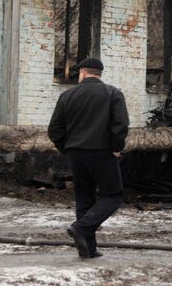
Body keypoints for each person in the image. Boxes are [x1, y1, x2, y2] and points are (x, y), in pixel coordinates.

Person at [48, 57, 129, 259]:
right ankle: (81, 228)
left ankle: (88, 249)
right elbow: (120, 125)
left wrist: (66, 149)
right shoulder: (113, 93)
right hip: (102, 152)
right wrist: (117, 147)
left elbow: (54, 129)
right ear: (98, 73)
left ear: (82, 73)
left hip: (76, 153)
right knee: (113, 195)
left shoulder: (67, 96)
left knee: (84, 199)